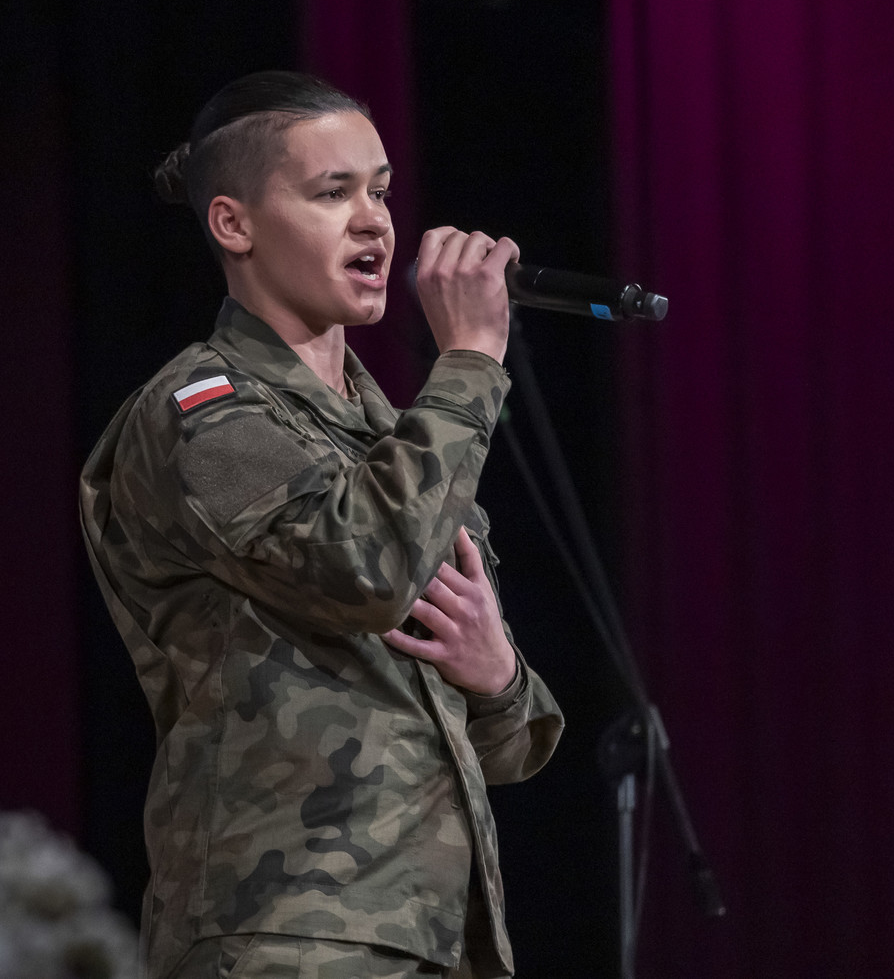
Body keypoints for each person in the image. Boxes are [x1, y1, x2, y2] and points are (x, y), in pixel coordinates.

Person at [78, 71, 563, 979]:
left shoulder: (393, 438)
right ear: (234, 225)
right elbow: (366, 574)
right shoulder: (201, 411)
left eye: (380, 190)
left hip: (433, 938)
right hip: (284, 935)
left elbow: (508, 747)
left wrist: (498, 674)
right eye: (333, 193)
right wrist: (469, 359)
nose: (375, 222)